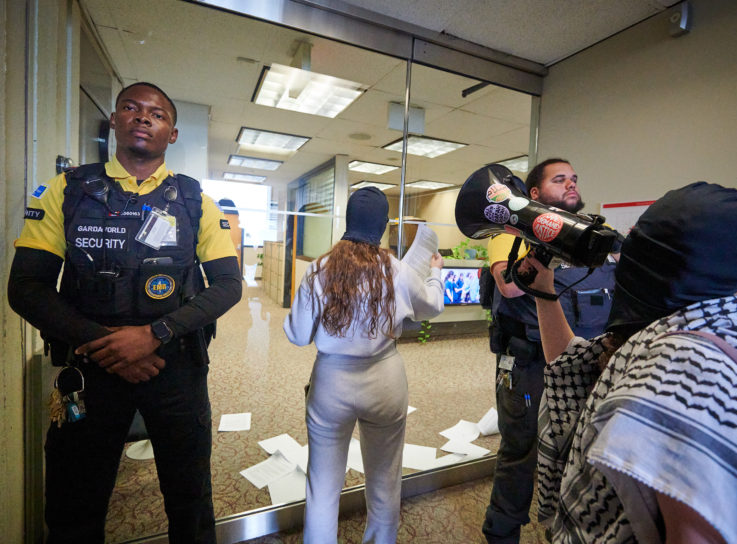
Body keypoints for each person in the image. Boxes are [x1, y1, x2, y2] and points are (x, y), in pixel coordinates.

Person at [7, 82, 242, 544]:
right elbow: (27, 287)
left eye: (157, 113)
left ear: (171, 134)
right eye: (131, 108)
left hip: (175, 368)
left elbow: (229, 285)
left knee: (190, 500)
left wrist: (154, 333)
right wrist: (107, 344)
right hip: (91, 370)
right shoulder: (67, 191)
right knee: (75, 501)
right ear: (114, 121)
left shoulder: (195, 201)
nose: (143, 117)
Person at [529, 182, 737, 543]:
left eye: (639, 248)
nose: (625, 259)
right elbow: (576, 370)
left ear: (671, 263)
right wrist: (543, 289)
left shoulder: (690, 369)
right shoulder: (697, 319)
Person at [283, 187, 444, 544]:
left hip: (331, 384)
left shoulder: (319, 269)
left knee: (322, 487)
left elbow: (296, 334)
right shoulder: (398, 270)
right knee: (385, 480)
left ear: (346, 221)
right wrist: (436, 274)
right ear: (383, 226)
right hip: (385, 382)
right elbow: (431, 307)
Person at [482, 158, 617, 543]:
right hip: (528, 363)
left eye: (574, 178)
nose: (571, 184)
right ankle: (501, 534)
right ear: (535, 194)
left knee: (578, 450)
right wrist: (545, 244)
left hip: (582, 364)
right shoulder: (509, 231)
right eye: (560, 180)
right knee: (521, 452)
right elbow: (509, 286)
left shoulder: (595, 234)